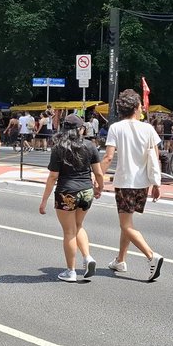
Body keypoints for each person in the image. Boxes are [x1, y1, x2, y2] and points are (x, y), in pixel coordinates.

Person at [100, 89, 165, 282]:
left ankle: (151, 256)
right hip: (143, 182)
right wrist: (156, 183)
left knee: (125, 224)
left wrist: (97, 178)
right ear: (137, 108)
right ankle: (120, 260)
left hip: (125, 181)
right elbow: (156, 157)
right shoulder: (148, 129)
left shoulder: (116, 128)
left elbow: (109, 156)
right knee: (127, 222)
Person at [40, 114, 104, 282]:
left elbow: (53, 176)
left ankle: (71, 271)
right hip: (86, 191)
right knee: (79, 225)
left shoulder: (58, 148)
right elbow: (98, 172)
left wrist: (44, 200)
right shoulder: (90, 146)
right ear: (80, 129)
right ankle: (87, 257)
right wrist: (99, 188)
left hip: (66, 192)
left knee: (69, 232)